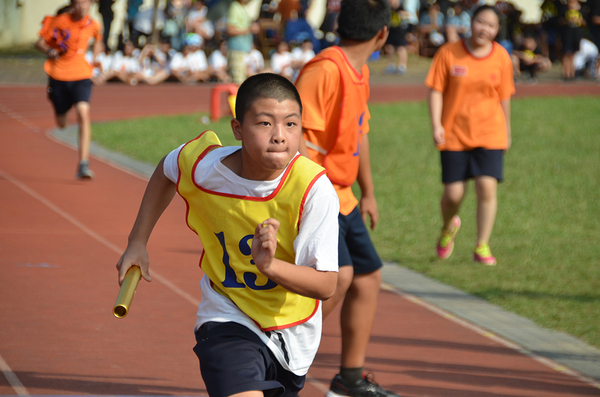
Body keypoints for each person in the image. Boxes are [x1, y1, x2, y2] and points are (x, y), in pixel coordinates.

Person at [116, 73, 339, 397]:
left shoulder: (313, 189)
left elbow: (326, 284)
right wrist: (137, 242)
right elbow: (167, 169)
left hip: (291, 331)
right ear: (237, 129)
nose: (279, 136)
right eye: (264, 124)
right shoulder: (205, 167)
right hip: (227, 313)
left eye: (291, 124)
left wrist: (270, 266)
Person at [294, 0, 399, 396]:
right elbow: (297, 140)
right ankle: (277, 348)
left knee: (368, 277)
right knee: (340, 278)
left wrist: (368, 191)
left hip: (344, 196)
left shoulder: (359, 70)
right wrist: (311, 201)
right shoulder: (324, 70)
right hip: (318, 194)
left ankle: (349, 380)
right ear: (382, 34)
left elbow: (359, 133)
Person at [425, 5, 514, 266]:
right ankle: (447, 227)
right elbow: (435, 90)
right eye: (480, 22)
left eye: (491, 25)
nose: (484, 29)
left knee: (487, 187)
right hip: (453, 134)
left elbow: (505, 96)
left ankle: (482, 244)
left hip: (490, 132)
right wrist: (436, 125)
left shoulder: (501, 57)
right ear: (470, 23)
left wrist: (507, 131)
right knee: (453, 194)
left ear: (497, 30)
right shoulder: (448, 53)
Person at [35, 0, 103, 179]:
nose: (82, 6)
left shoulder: (94, 25)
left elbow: (97, 40)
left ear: (91, 5)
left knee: (83, 111)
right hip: (58, 75)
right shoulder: (60, 21)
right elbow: (40, 43)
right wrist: (50, 49)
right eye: (79, 2)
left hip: (82, 75)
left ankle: (83, 163)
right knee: (62, 123)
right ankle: (60, 108)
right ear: (73, 4)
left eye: (86, 3)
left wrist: (94, 61)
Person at [226, 0, 260, 83]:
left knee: (245, 80)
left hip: (245, 50)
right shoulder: (235, 7)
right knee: (238, 81)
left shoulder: (243, 7)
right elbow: (230, 30)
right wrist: (249, 29)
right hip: (237, 49)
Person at [559, 0, 586, 81]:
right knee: (567, 53)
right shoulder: (564, 9)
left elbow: (585, 22)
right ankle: (566, 73)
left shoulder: (581, 9)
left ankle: (572, 73)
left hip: (576, 34)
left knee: (573, 54)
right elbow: (559, 21)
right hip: (567, 34)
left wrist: (578, 20)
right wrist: (568, 20)